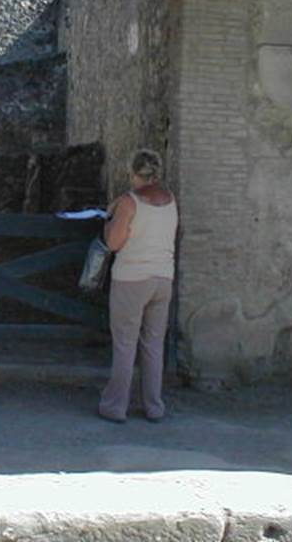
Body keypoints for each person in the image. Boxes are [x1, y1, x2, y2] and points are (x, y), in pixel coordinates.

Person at [97, 148, 178, 424]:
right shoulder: (170, 200)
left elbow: (114, 243)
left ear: (133, 173)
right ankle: (154, 406)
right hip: (163, 279)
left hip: (132, 279)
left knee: (125, 343)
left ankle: (115, 406)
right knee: (154, 344)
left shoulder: (129, 203)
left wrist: (109, 222)